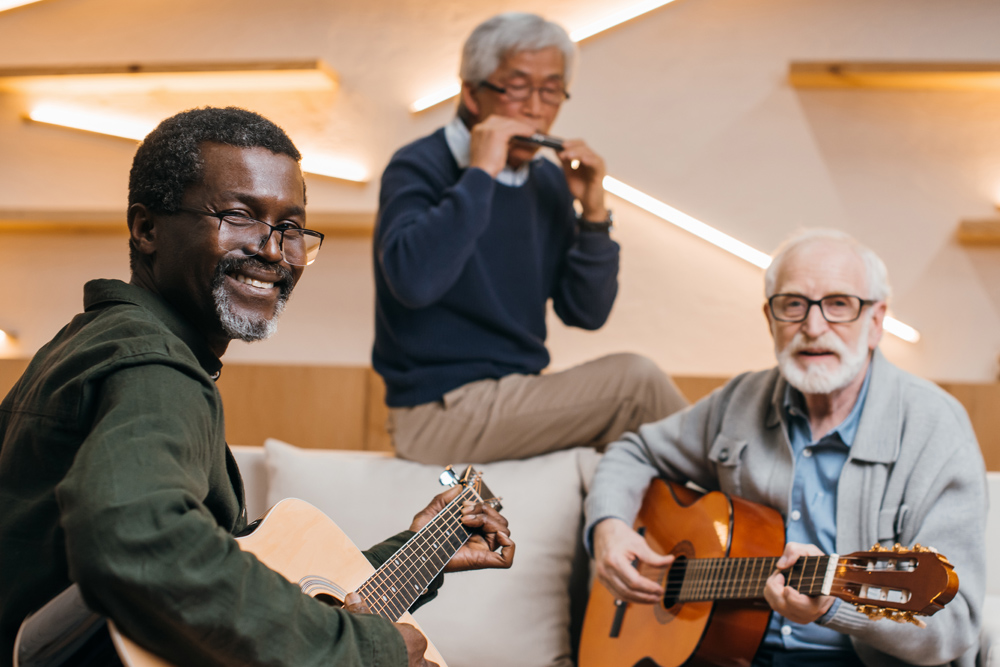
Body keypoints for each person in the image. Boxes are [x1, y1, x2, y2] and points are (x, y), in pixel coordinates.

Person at [0, 107, 514, 667]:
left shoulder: (104, 344)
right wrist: (364, 650)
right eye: (239, 216)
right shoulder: (153, 367)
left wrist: (420, 554)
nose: (273, 251)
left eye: (291, 228)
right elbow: (140, 543)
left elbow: (236, 598)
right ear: (146, 229)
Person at [585, 229, 987, 666]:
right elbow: (633, 451)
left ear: (875, 322)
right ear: (770, 319)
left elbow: (954, 626)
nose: (813, 328)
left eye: (839, 305)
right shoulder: (739, 400)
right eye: (793, 305)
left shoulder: (935, 429)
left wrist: (835, 607)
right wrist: (609, 527)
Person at [373, 12, 687, 466]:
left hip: (517, 395)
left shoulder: (547, 182)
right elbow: (415, 281)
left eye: (551, 90)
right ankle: (755, 508)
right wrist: (482, 172)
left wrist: (594, 216)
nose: (536, 108)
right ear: (472, 94)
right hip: (434, 410)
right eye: (518, 88)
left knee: (632, 457)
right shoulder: (419, 165)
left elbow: (586, 312)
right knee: (635, 381)